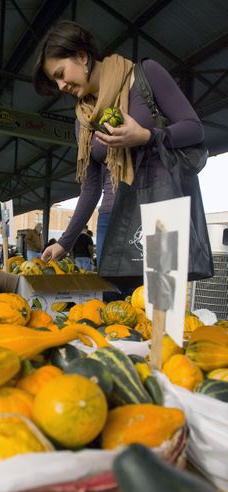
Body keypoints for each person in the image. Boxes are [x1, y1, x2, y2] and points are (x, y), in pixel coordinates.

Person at [34, 20, 204, 292]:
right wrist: (64, 243)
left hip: (160, 210)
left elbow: (194, 129)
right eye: (55, 81)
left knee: (162, 314)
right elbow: (90, 188)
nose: (61, 85)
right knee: (117, 314)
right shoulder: (84, 119)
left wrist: (147, 136)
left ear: (82, 55)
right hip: (112, 220)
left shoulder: (145, 75)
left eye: (61, 73)